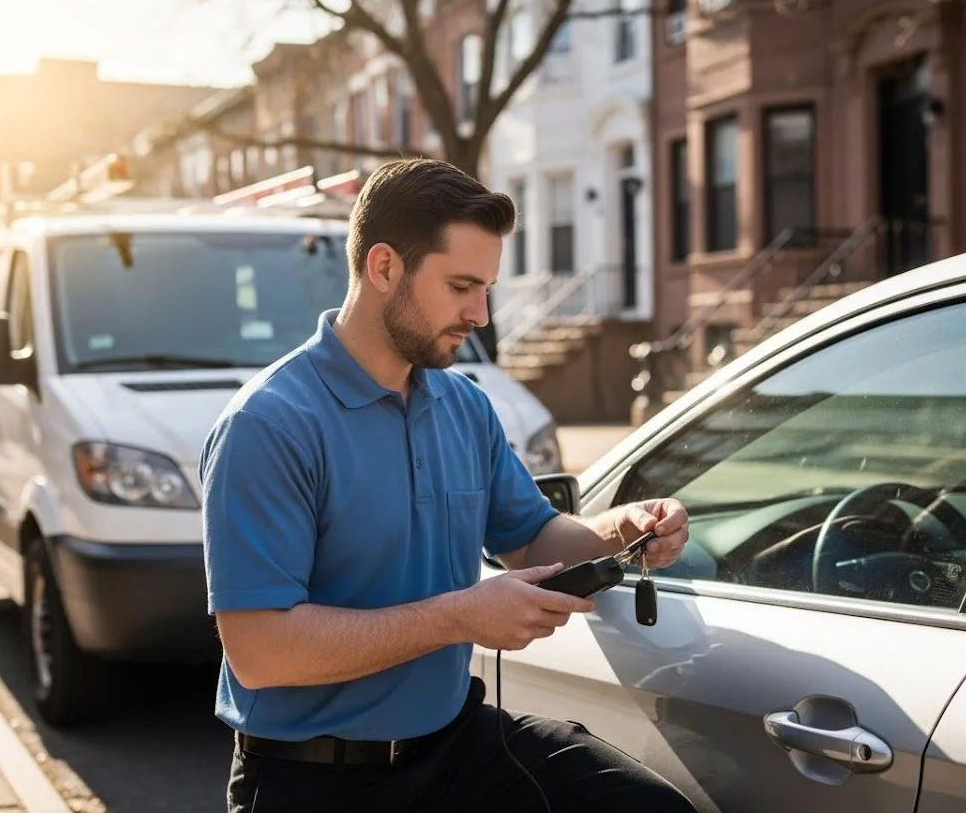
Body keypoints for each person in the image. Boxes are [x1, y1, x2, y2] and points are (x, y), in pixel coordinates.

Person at [200, 158, 697, 813]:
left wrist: (622, 531)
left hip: (456, 749)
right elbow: (261, 653)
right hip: (312, 781)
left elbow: (532, 537)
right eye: (462, 286)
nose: (482, 314)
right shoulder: (268, 425)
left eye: (487, 288)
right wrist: (461, 615)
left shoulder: (465, 407)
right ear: (383, 268)